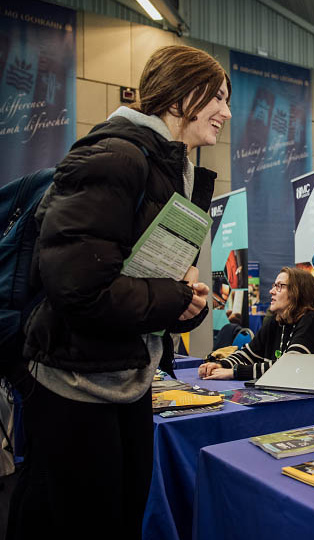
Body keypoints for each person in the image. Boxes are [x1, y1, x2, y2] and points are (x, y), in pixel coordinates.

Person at [8, 45, 230, 539]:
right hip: (75, 388)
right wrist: (173, 298)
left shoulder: (174, 168)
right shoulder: (113, 157)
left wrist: (184, 306)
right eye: (216, 96)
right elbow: (82, 290)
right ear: (181, 96)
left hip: (127, 382)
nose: (226, 111)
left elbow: (148, 282)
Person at [199, 267, 314, 386]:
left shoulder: (312, 321)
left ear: (298, 292)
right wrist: (220, 363)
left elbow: (287, 366)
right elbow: (250, 353)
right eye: (274, 285)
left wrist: (233, 372)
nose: (271, 291)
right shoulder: (278, 319)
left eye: (280, 286)